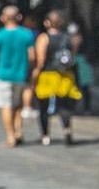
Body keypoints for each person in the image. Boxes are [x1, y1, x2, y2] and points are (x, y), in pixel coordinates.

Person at [0, 5, 36, 147]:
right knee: (17, 105)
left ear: (3, 18)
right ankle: (19, 131)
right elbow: (32, 56)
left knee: (6, 105)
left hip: (3, 75)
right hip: (21, 74)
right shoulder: (27, 34)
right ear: (19, 17)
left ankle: (10, 136)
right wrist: (31, 71)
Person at [32, 9, 82, 146]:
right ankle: (67, 130)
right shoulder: (68, 38)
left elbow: (41, 59)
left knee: (44, 106)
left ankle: (45, 135)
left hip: (48, 75)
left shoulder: (44, 38)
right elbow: (72, 56)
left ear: (47, 23)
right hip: (65, 75)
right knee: (64, 106)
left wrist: (35, 74)